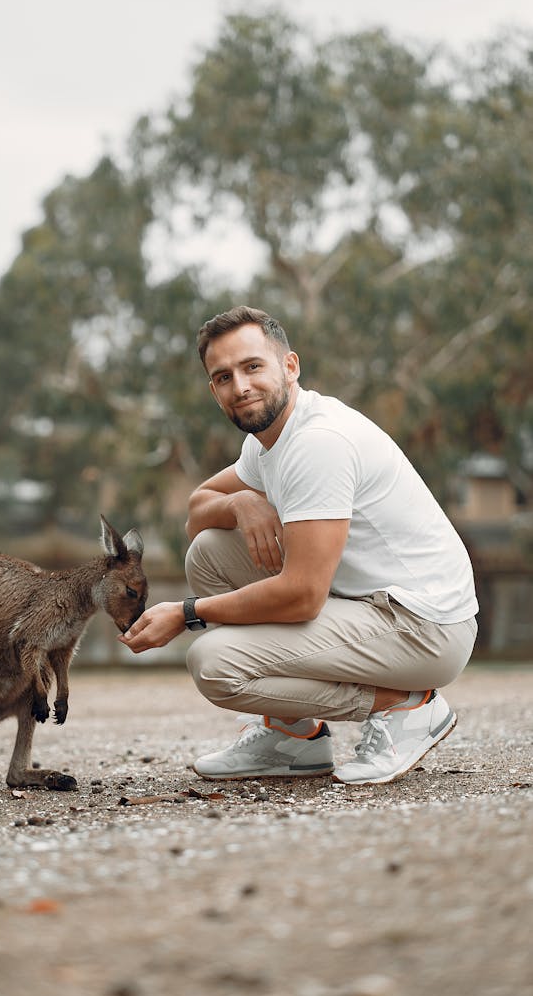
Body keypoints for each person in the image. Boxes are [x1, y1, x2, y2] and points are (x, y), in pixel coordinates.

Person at [119, 306, 478, 785]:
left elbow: (303, 595)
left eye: (252, 367)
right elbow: (197, 509)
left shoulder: (318, 442)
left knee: (215, 663)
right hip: (366, 604)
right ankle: (294, 737)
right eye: (223, 377)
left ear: (290, 367)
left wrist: (186, 613)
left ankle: (408, 706)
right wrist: (244, 503)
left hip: (423, 625)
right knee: (208, 551)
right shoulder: (269, 440)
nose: (240, 386)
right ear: (213, 390)